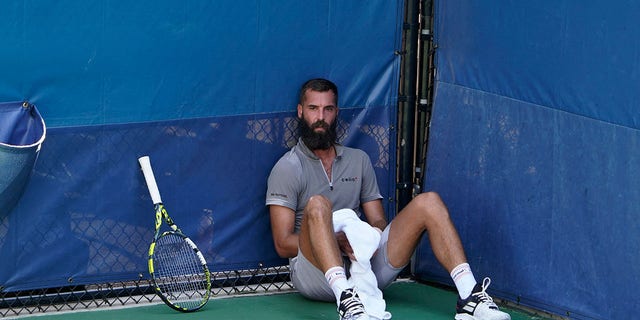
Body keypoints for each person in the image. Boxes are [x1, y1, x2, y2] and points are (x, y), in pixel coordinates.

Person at [266, 78, 511, 320]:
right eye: (313, 108)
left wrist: (362, 239)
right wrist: (333, 240)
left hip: (364, 268)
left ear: (336, 112)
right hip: (316, 276)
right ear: (300, 112)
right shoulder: (287, 168)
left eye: (327, 109)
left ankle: (470, 296)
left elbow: (378, 223)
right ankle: (347, 303)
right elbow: (282, 243)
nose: (321, 117)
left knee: (430, 202)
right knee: (318, 204)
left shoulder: (358, 159)